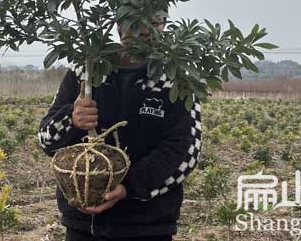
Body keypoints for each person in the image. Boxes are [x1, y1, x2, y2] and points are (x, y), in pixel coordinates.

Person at [38, 18, 203, 240]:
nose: (145, 29)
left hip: (147, 227)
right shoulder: (85, 70)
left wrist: (128, 187)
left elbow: (186, 153)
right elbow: (46, 140)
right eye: (134, 18)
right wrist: (72, 119)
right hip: (84, 227)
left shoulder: (175, 79)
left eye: (155, 20)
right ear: (117, 23)